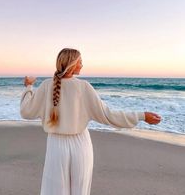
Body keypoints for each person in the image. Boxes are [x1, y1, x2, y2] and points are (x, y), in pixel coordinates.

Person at [20, 48, 161, 195]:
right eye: (80, 62)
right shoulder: (83, 87)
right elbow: (108, 115)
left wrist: (29, 86)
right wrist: (141, 115)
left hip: (56, 146)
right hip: (80, 144)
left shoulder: (46, 85)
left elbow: (26, 111)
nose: (82, 65)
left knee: (55, 190)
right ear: (72, 64)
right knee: (80, 190)